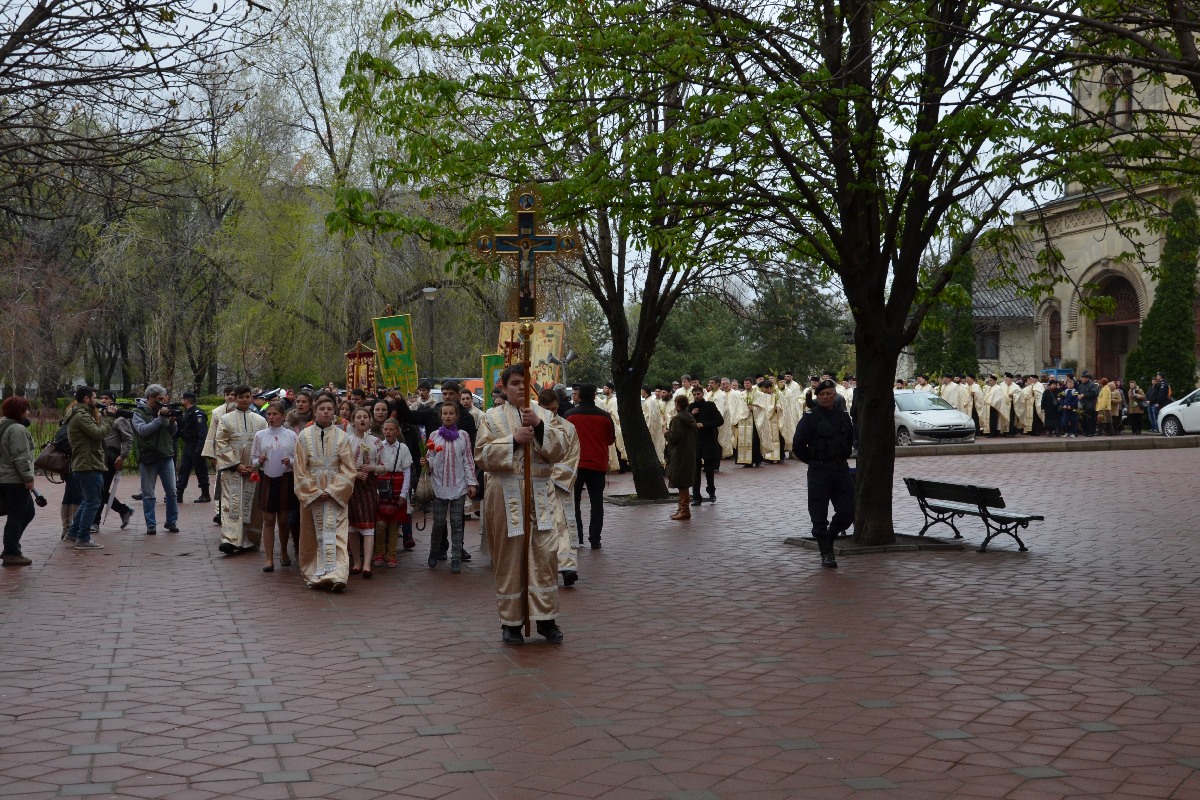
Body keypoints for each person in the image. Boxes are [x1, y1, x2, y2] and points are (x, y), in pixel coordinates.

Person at [475, 365, 568, 645]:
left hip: (540, 493)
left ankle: (546, 618)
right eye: (514, 383)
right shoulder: (490, 418)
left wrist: (539, 428)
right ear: (504, 387)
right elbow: (482, 454)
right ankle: (511, 622)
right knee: (509, 557)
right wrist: (512, 440)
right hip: (505, 493)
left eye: (523, 383)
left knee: (544, 555)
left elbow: (561, 449)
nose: (519, 388)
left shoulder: (546, 415)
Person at [294, 393, 357, 592]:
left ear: (334, 413)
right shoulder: (303, 436)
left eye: (330, 409)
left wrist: (332, 490)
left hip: (335, 492)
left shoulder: (342, 436)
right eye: (322, 409)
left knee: (337, 534)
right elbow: (300, 468)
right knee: (312, 534)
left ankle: (337, 574)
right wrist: (312, 491)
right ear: (315, 411)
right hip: (312, 492)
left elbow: (348, 468)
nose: (326, 412)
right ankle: (315, 574)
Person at [792, 379, 854, 568]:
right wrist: (812, 461)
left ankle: (830, 536)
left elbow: (850, 438)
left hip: (841, 469)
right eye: (821, 395)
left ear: (835, 395)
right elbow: (798, 445)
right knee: (819, 513)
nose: (825, 397)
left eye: (828, 394)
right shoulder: (810, 417)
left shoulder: (843, 415)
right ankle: (826, 552)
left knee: (848, 511)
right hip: (819, 470)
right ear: (817, 397)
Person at [422, 402, 478, 574]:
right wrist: (426, 464)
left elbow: (468, 460)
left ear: (456, 416)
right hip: (438, 485)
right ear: (441, 416)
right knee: (438, 522)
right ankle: (434, 551)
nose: (447, 416)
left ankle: (455, 558)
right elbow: (430, 457)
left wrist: (472, 483)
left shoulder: (463, 436)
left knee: (456, 523)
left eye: (450, 413)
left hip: (459, 485)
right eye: (444, 413)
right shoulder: (434, 435)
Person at [214, 385, 266, 552]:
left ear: (251, 398)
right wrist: (236, 465)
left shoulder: (260, 420)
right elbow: (220, 442)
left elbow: (264, 444)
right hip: (232, 468)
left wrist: (256, 464)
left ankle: (250, 540)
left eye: (247, 396)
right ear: (235, 398)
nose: (244, 399)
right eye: (241, 396)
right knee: (231, 502)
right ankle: (230, 540)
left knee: (252, 504)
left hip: (253, 468)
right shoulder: (226, 419)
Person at [563, 384, 615, 549]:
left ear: (579, 396)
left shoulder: (570, 416)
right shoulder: (605, 416)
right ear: (594, 396)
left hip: (576, 464)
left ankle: (577, 536)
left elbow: (564, 439)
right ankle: (595, 539)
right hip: (598, 464)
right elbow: (610, 440)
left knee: (574, 501)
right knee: (597, 502)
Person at [251, 401, 298, 572]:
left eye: (275, 414)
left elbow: (298, 459)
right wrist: (260, 461)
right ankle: (269, 558)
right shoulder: (260, 435)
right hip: (267, 478)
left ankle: (284, 552)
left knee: (284, 519)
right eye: (269, 414)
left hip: (285, 478)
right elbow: (254, 460)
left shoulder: (291, 435)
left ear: (283, 416)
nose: (271, 417)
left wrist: (290, 462)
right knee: (268, 519)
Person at [65, 386, 114, 550]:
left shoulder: (80, 414)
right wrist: (110, 419)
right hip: (88, 464)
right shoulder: (81, 416)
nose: (97, 401)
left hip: (86, 463)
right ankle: (83, 538)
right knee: (93, 502)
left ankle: (72, 534)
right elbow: (98, 434)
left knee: (88, 500)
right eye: (94, 397)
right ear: (86, 399)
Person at [540, 388, 580, 587]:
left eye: (554, 409)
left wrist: (553, 477)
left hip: (559, 486)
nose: (551, 413)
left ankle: (567, 567)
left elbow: (572, 456)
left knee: (563, 525)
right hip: (537, 486)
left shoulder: (567, 428)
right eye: (547, 409)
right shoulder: (532, 427)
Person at [345, 406, 384, 578]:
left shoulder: (376, 442)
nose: (362, 420)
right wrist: (355, 472)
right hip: (352, 485)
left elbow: (385, 467)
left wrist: (372, 467)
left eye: (365, 417)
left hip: (369, 485)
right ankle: (357, 562)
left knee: (368, 525)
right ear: (353, 421)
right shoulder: (346, 441)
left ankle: (367, 563)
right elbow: (341, 466)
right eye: (358, 417)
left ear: (370, 421)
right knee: (352, 526)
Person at [1, 396, 37, 566]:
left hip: (4, 477)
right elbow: (20, 456)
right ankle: (11, 552)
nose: (28, 412)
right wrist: (28, 478)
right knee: (18, 515)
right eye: (26, 409)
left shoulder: (3, 425)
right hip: (14, 479)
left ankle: (11, 546)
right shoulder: (16, 429)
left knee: (28, 512)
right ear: (19, 411)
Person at [372, 418, 412, 569]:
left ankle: (391, 554)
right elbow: (375, 470)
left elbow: (407, 472)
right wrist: (376, 491)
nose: (388, 432)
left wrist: (403, 494)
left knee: (394, 524)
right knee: (381, 523)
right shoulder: (378, 447)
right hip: (382, 486)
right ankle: (379, 552)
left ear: (397, 431)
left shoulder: (403, 449)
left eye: (391, 429)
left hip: (397, 485)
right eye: (386, 429)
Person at [94, 390, 135, 531]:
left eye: (107, 398)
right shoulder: (97, 416)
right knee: (99, 490)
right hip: (96, 455)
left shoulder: (120, 419)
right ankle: (124, 510)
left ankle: (95, 522)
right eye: (102, 398)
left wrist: (122, 456)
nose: (103, 400)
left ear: (113, 401)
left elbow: (128, 439)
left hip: (111, 456)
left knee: (100, 490)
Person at [689, 384, 723, 505]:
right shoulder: (691, 407)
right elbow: (684, 422)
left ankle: (711, 491)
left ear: (703, 394)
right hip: (695, 443)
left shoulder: (710, 405)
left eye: (698, 394)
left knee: (709, 470)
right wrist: (691, 414)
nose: (696, 396)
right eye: (694, 395)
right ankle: (696, 497)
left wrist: (704, 424)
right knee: (695, 471)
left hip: (708, 441)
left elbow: (720, 420)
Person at [664, 394, 698, 520]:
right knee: (683, 480)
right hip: (688, 452)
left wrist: (667, 433)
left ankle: (684, 510)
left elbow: (674, 438)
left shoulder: (677, 419)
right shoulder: (690, 417)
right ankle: (681, 508)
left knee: (681, 481)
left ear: (677, 404)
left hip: (679, 454)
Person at [175, 391, 210, 503]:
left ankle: (205, 494)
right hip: (188, 445)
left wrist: (200, 447)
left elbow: (202, 432)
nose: (181, 402)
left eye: (182, 400)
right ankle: (179, 494)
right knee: (184, 469)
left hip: (196, 445)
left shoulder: (197, 413)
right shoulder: (187, 413)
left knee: (200, 470)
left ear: (186, 401)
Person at [1077, 371, 1100, 436]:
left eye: (1082, 378)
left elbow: (1094, 393)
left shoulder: (1092, 385)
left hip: (1090, 405)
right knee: (1084, 419)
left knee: (1090, 419)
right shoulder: (1081, 385)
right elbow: (1078, 392)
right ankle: (1085, 431)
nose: (1081, 379)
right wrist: (1078, 395)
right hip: (1083, 404)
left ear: (1086, 378)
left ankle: (1090, 432)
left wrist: (1084, 395)